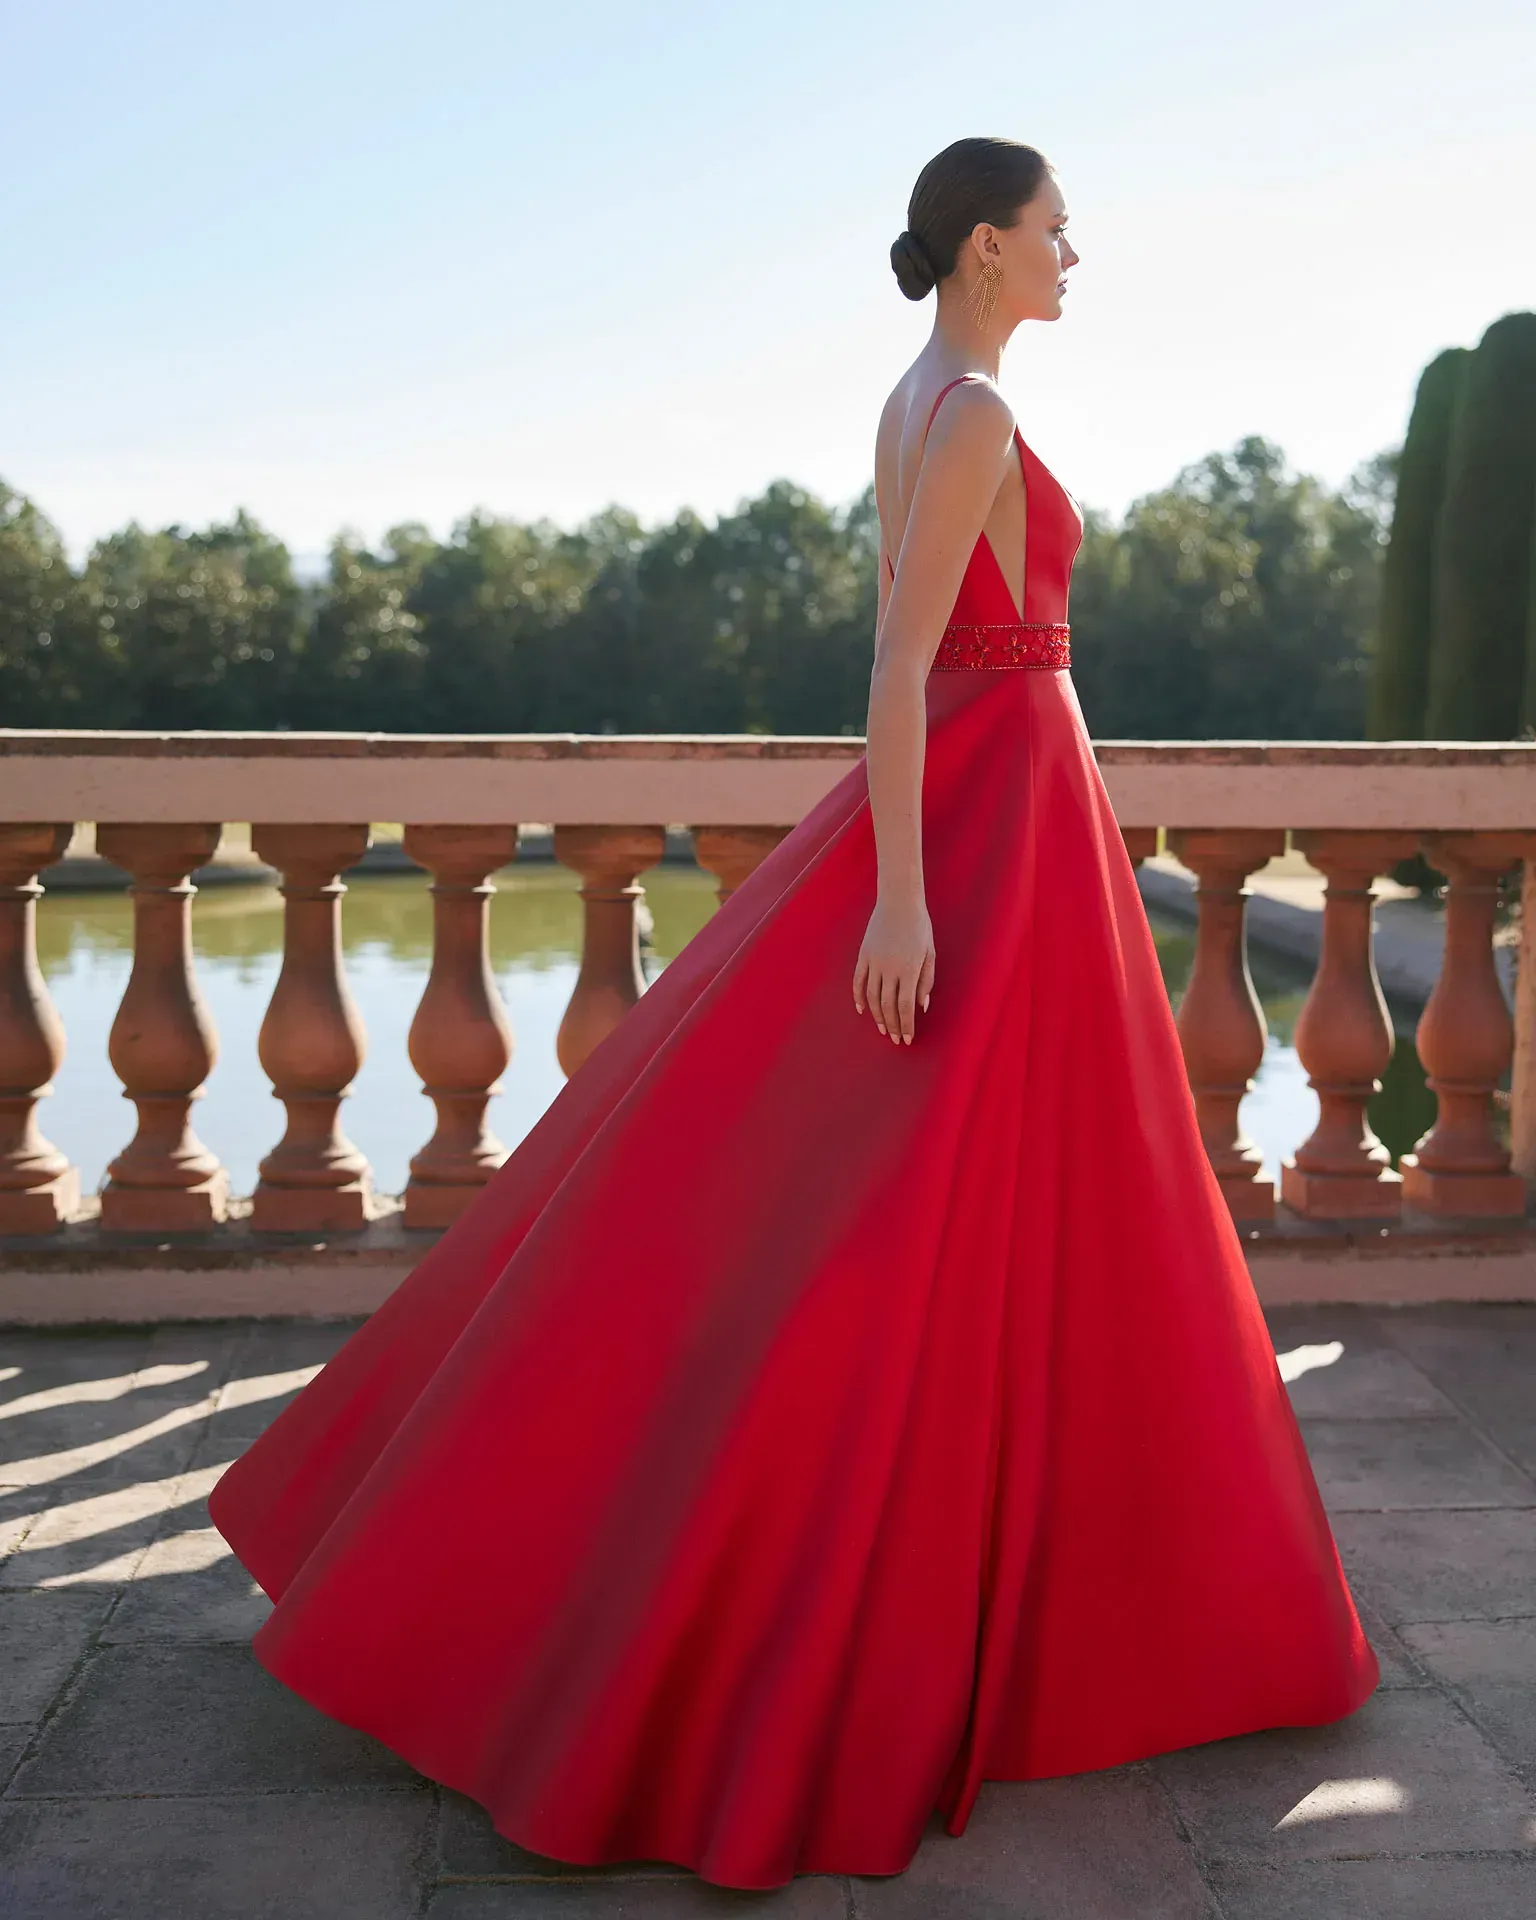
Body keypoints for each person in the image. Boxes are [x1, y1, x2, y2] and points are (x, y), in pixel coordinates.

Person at [208, 136, 1378, 1891]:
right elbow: (901, 668)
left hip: (992, 808)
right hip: (990, 830)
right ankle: (952, 1612)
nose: (1080, 256)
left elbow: (917, 659)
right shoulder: (967, 411)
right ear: (987, 246)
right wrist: (906, 894)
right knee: (967, 1212)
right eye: (1060, 232)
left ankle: (983, 1587)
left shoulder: (915, 394)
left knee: (954, 1207)